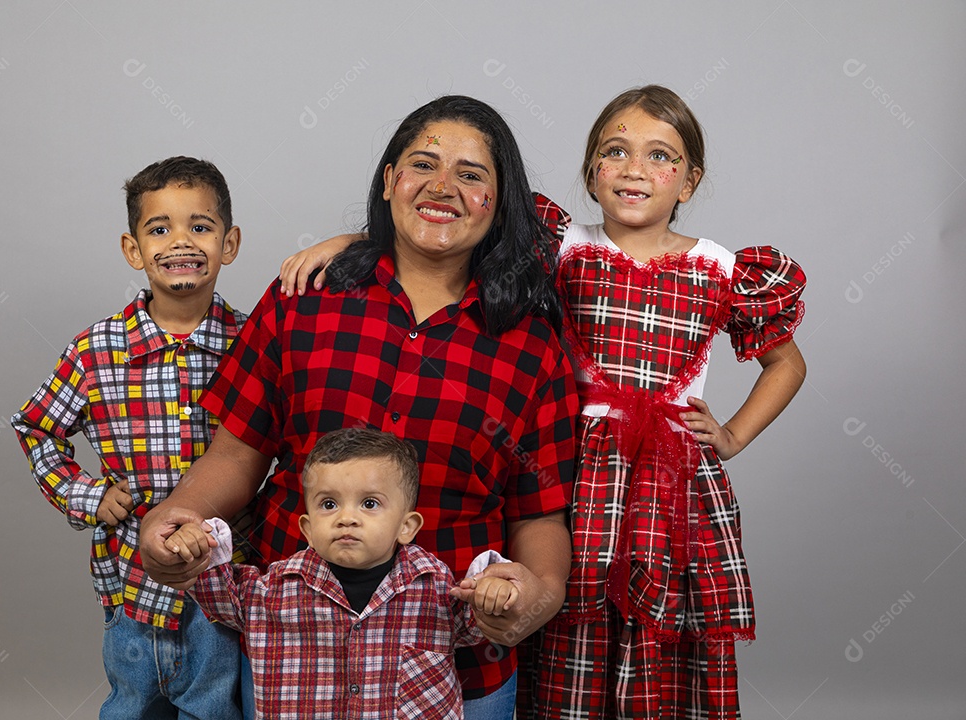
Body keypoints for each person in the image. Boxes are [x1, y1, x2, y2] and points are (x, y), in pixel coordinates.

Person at [280, 86, 807, 719]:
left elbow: (787, 363)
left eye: (660, 157)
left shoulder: (724, 270)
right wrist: (352, 243)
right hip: (583, 472)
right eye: (615, 152)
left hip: (669, 479)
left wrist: (732, 436)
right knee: (568, 612)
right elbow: (440, 223)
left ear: (689, 182)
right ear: (591, 170)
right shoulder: (562, 246)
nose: (635, 170)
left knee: (665, 609)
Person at [138, 95, 581, 720]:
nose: (442, 186)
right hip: (293, 661)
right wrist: (177, 514)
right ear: (390, 180)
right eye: (423, 164)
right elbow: (237, 454)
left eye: (471, 174)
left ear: (500, 202)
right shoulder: (302, 300)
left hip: (458, 665)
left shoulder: (533, 347)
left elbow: (539, 515)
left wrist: (540, 592)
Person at [12, 156, 246, 719]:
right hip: (131, 585)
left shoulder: (253, 342)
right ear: (133, 249)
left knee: (214, 709)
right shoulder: (97, 350)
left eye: (200, 226)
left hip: (226, 587)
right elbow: (37, 426)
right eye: (159, 229)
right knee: (132, 705)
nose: (181, 241)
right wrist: (88, 495)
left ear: (229, 243)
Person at [165, 428, 521, 719]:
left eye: (369, 503)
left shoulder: (437, 589)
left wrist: (494, 592)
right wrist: (194, 543)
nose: (346, 518)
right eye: (329, 504)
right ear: (307, 528)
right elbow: (215, 589)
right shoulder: (271, 591)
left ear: (407, 526)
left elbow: (480, 622)